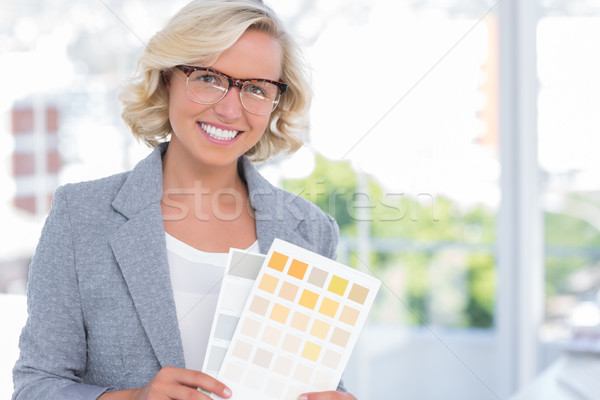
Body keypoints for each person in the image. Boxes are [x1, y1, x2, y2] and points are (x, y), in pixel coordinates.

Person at [12, 1, 358, 399]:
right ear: (167, 79)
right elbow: (36, 386)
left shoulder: (312, 231)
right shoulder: (80, 216)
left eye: (256, 89)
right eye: (209, 78)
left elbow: (318, 380)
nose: (230, 110)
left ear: (275, 102)